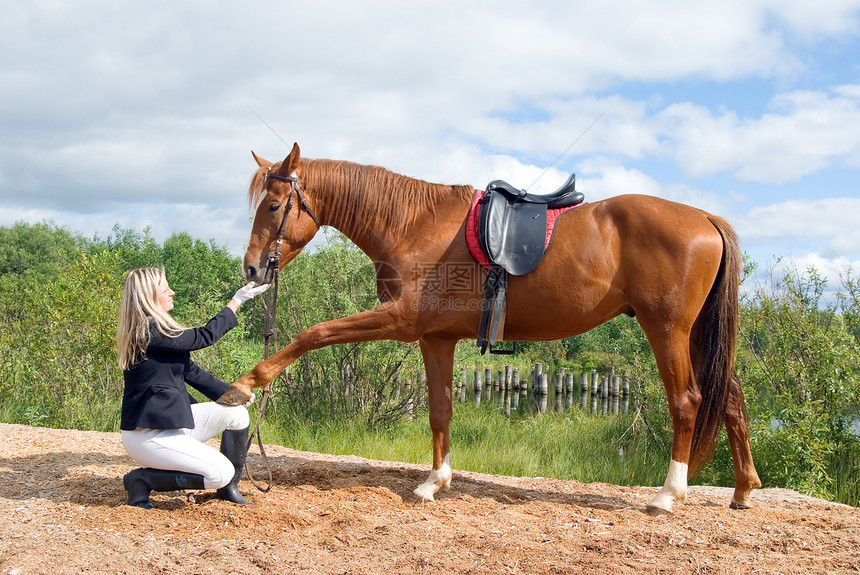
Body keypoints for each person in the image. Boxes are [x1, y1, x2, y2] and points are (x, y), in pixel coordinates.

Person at [117, 267, 269, 509]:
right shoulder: (150, 330)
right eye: (165, 288)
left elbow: (191, 372)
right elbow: (204, 336)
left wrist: (235, 396)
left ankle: (228, 490)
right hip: (148, 436)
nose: (172, 292)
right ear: (148, 295)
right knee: (219, 473)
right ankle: (141, 479)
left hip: (171, 424)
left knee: (235, 414)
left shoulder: (156, 332)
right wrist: (237, 300)